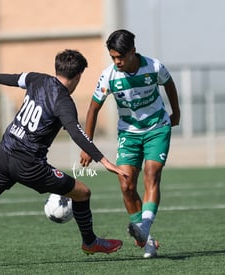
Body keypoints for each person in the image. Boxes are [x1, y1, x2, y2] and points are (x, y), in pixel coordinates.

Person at [0, 49, 129, 270]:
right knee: (83, 192)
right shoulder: (64, 102)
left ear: (57, 68)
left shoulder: (37, 78)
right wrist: (106, 162)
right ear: (79, 76)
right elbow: (76, 133)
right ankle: (90, 242)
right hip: (29, 165)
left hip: (3, 154)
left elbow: (15, 79)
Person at [80, 30, 181, 258]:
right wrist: (87, 145)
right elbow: (93, 109)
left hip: (157, 128)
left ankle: (143, 228)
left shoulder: (154, 67)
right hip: (129, 133)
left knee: (151, 173)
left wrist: (176, 113)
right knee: (126, 185)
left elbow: (170, 85)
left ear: (133, 51)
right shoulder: (109, 76)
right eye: (113, 57)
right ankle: (147, 240)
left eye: (120, 57)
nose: (117, 62)